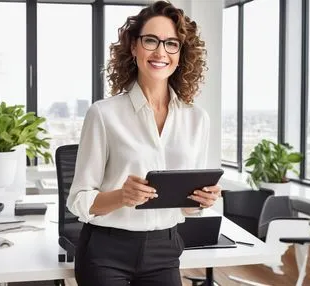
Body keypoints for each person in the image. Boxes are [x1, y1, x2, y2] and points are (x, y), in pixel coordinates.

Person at [66, 1, 221, 285]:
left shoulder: (197, 119)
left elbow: (187, 205)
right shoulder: (103, 114)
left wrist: (201, 201)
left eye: (171, 43)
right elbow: (78, 201)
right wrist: (120, 197)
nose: (161, 51)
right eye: (151, 40)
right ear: (134, 47)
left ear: (181, 53)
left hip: (165, 250)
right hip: (106, 251)